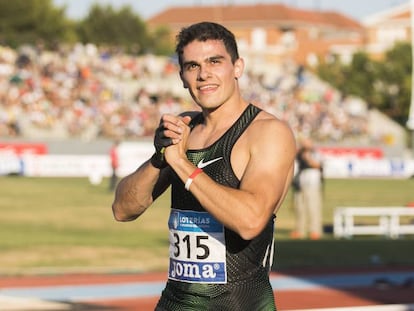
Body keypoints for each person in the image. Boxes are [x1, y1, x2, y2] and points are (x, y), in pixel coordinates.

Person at [112, 21, 296, 310]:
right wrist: (160, 156)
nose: (204, 74)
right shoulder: (184, 129)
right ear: (182, 77)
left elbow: (250, 221)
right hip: (176, 303)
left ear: (238, 67)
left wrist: (182, 165)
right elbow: (123, 209)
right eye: (192, 66)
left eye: (215, 61)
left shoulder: (268, 132)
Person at [291, 136, 323, 240]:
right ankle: (300, 230)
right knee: (300, 208)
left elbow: (317, 165)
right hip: (300, 183)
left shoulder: (315, 153)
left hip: (312, 183)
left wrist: (307, 158)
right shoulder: (298, 155)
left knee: (313, 207)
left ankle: (315, 230)